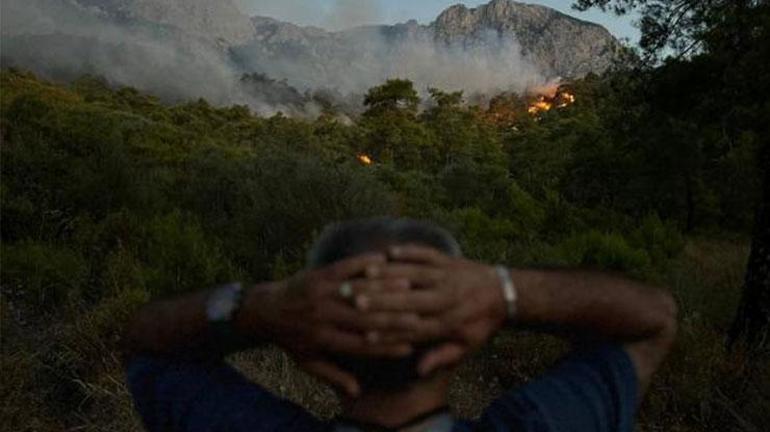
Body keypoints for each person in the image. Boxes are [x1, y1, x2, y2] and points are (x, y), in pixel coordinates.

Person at [124, 218, 677, 432]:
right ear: (459, 347)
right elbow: (651, 320)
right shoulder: (545, 425)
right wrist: (504, 292)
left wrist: (261, 308)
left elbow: (146, 343)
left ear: (315, 347)